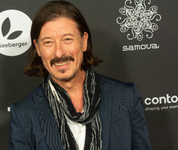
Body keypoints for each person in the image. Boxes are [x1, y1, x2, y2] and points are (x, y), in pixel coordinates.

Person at [9, 1, 152, 150]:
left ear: (84, 41)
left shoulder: (126, 97)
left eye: (67, 39)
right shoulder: (23, 114)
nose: (59, 52)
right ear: (38, 48)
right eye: (48, 42)